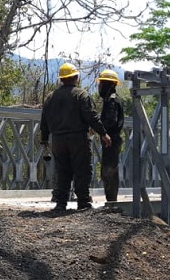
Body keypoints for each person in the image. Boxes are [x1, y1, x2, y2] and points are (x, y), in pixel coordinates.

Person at [40, 63, 111, 211]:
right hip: (78, 138)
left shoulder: (50, 97)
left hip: (58, 140)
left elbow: (44, 121)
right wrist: (103, 133)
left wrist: (45, 140)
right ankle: (83, 202)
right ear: (76, 77)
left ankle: (61, 203)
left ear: (61, 79)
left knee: (62, 171)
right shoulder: (81, 95)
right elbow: (91, 116)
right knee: (82, 169)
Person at [96, 69, 125, 204]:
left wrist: (100, 129)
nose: (99, 86)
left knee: (109, 170)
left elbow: (111, 120)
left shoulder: (112, 101)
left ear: (107, 84)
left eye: (101, 83)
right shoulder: (110, 99)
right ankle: (111, 200)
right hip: (111, 139)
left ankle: (112, 201)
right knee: (109, 169)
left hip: (111, 140)